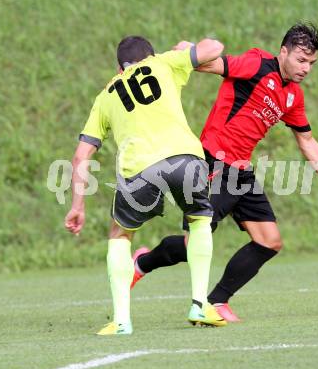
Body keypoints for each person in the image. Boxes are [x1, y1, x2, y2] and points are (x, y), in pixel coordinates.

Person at [130, 22, 318, 322]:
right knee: (194, 245)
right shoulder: (256, 64)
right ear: (283, 52)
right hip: (213, 162)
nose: (306, 68)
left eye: (312, 63)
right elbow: (208, 64)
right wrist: (185, 52)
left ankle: (217, 301)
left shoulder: (293, 96)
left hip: (240, 171)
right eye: (301, 60)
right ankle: (142, 264)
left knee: (269, 241)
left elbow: (307, 142)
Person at [64, 35, 227, 335]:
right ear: (148, 55)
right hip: (185, 159)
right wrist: (187, 50)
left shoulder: (106, 95)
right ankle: (200, 304)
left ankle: (122, 320)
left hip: (139, 169)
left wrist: (77, 206)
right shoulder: (163, 62)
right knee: (199, 220)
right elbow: (215, 48)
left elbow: (80, 156)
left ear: (119, 67)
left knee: (120, 234)